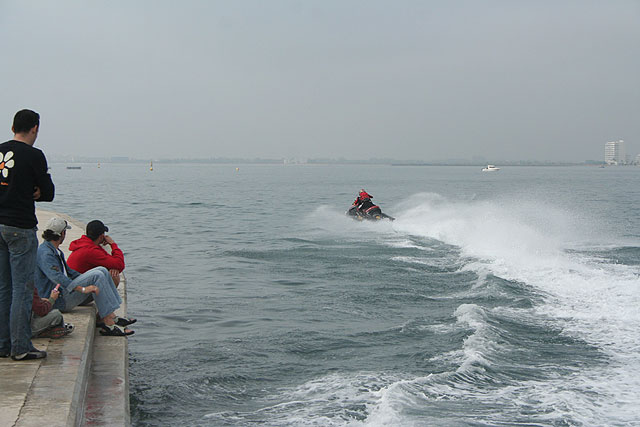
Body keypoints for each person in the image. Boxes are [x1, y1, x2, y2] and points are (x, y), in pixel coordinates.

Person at [0, 109, 55, 361]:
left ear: (13, 128)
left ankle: (3, 344)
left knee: (4, 288)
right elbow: (47, 191)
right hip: (20, 227)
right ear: (34, 129)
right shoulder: (34, 155)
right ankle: (21, 346)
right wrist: (34, 191)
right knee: (22, 289)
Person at [35, 217, 135, 336]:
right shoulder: (45, 253)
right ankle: (108, 322)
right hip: (58, 300)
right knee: (98, 274)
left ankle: (110, 315)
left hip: (64, 293)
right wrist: (82, 288)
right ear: (62, 233)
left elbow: (69, 272)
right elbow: (57, 277)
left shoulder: (54, 250)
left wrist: (86, 279)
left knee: (101, 270)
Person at [67, 220, 125, 287]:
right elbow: (119, 264)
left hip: (75, 283)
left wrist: (113, 267)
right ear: (101, 236)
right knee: (114, 276)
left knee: (112, 270)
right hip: (78, 290)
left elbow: (110, 261)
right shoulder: (91, 250)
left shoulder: (85, 244)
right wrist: (113, 244)